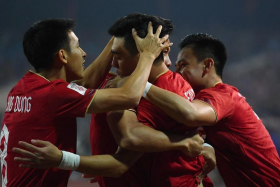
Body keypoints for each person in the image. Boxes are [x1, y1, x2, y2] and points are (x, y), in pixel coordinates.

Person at [12, 14, 214, 187]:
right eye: (78, 47)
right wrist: (127, 34)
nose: (84, 54)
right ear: (62, 56)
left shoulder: (24, 88)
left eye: (118, 55)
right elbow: (87, 83)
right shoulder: (115, 84)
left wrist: (66, 160)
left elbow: (123, 155)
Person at [138, 33, 280, 186]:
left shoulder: (222, 96)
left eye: (183, 65)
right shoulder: (218, 98)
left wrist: (140, 85)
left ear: (207, 65)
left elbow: (190, 114)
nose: (177, 73)